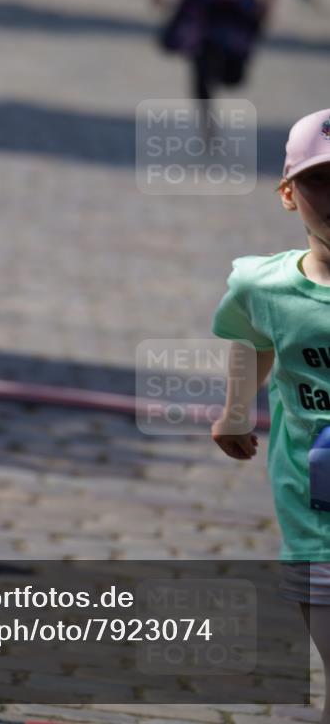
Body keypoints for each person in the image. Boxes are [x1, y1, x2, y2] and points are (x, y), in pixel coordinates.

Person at [210, 108, 330, 721]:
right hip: (315, 515)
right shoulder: (265, 288)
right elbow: (252, 337)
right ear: (288, 194)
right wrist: (236, 412)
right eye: (321, 180)